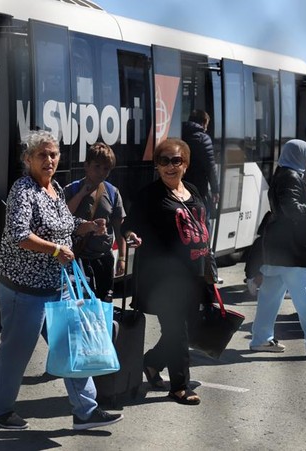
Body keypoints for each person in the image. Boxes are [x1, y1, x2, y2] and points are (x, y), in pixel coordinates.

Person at [0, 130, 123, 431]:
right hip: (25, 289)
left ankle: (86, 410)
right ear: (28, 158)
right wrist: (56, 249)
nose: (49, 160)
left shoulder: (54, 188)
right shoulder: (24, 190)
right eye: (42, 154)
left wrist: (87, 226)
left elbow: (64, 222)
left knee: (73, 348)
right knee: (15, 354)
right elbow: (21, 235)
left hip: (56, 286)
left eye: (53, 154)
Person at [122, 138, 211, 405]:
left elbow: (202, 230)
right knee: (177, 330)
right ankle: (179, 387)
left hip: (194, 272)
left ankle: (151, 363)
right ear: (157, 166)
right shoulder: (150, 195)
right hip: (163, 277)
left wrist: (209, 268)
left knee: (186, 327)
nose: (170, 166)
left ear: (185, 163)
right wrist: (131, 236)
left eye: (176, 160)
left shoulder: (192, 190)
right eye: (164, 161)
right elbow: (129, 226)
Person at [248, 139, 306, 357]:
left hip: (277, 247)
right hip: (293, 249)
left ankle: (261, 339)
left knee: (270, 297)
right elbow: (293, 210)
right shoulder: (291, 177)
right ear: (299, 155)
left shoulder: (282, 174)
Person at [64, 142, 126, 300]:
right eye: (97, 166)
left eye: (106, 169)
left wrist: (122, 258)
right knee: (82, 304)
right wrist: (81, 195)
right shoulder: (71, 190)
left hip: (103, 258)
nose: (101, 172)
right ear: (86, 165)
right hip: (77, 258)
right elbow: (62, 219)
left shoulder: (112, 193)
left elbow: (120, 230)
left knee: (104, 302)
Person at [181, 110, 220, 217]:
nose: (206, 128)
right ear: (203, 123)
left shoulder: (179, 134)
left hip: (179, 186)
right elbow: (210, 167)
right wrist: (215, 190)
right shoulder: (203, 138)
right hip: (197, 189)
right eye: (206, 125)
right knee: (203, 220)